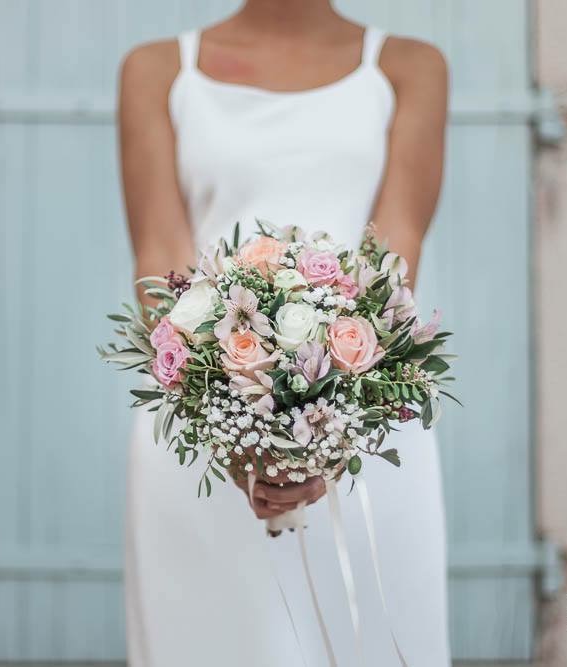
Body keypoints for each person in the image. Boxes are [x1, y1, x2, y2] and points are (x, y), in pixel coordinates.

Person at [117, 1, 449, 664]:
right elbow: (160, 258)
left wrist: (325, 427)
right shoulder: (157, 70)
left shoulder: (409, 67)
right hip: (203, 431)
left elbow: (393, 257)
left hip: (367, 421)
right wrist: (231, 427)